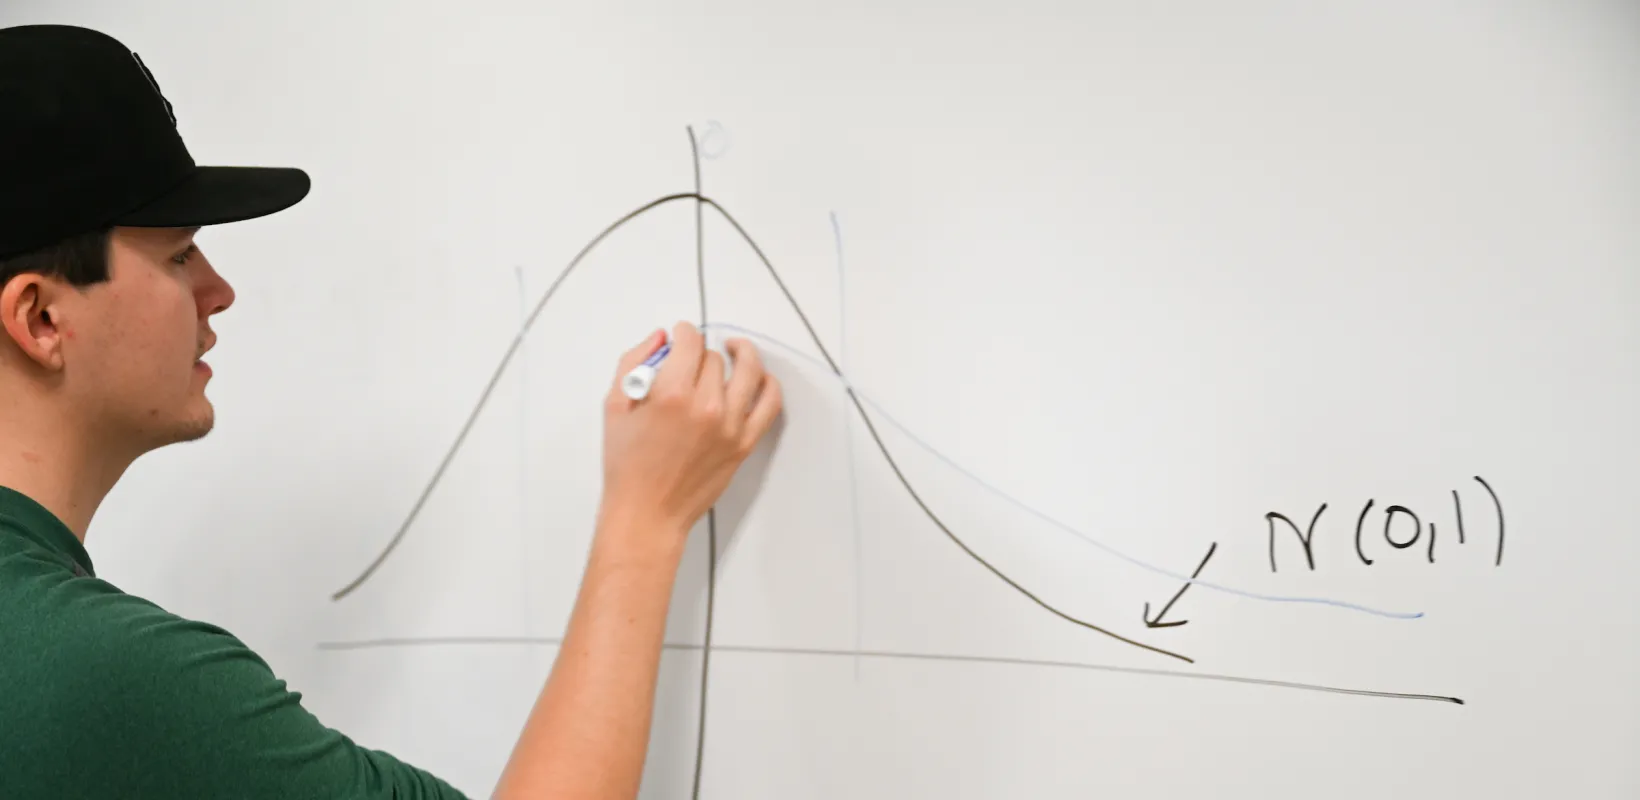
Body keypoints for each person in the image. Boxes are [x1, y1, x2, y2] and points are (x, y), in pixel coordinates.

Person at [0, 23, 782, 799]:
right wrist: (645, 519)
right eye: (177, 255)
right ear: (40, 320)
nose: (218, 290)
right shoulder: (109, 677)